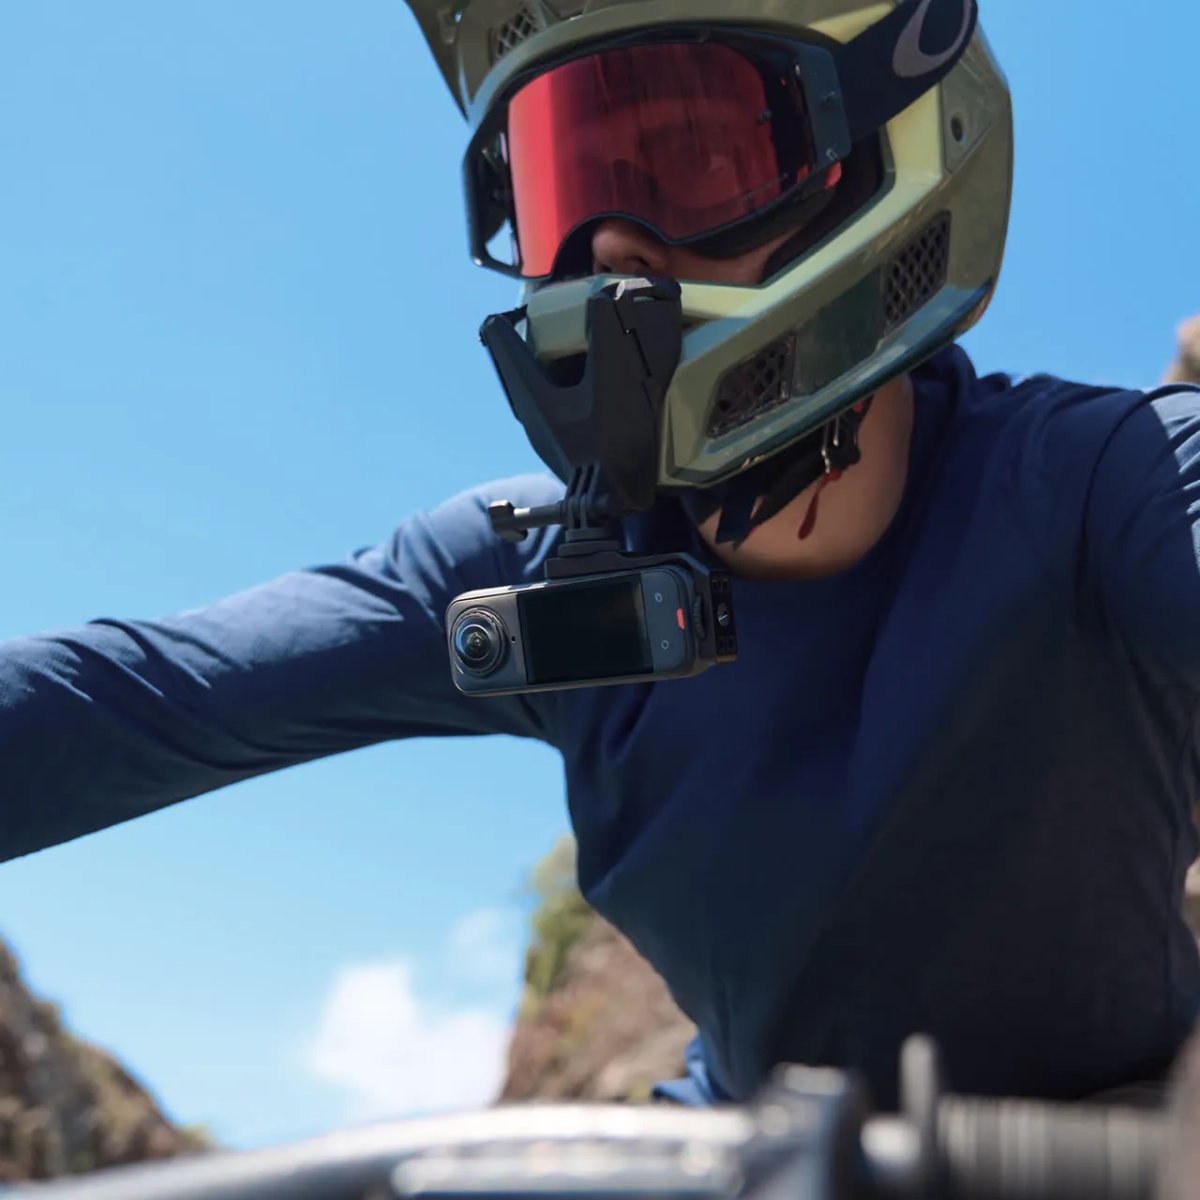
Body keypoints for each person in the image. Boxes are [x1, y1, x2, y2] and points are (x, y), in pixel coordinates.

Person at [2, 0, 1199, 1113]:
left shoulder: (1108, 479)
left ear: (876, 148)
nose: (609, 257)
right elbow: (144, 697)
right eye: (561, 197)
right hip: (740, 1151)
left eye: (694, 153)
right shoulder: (539, 571)